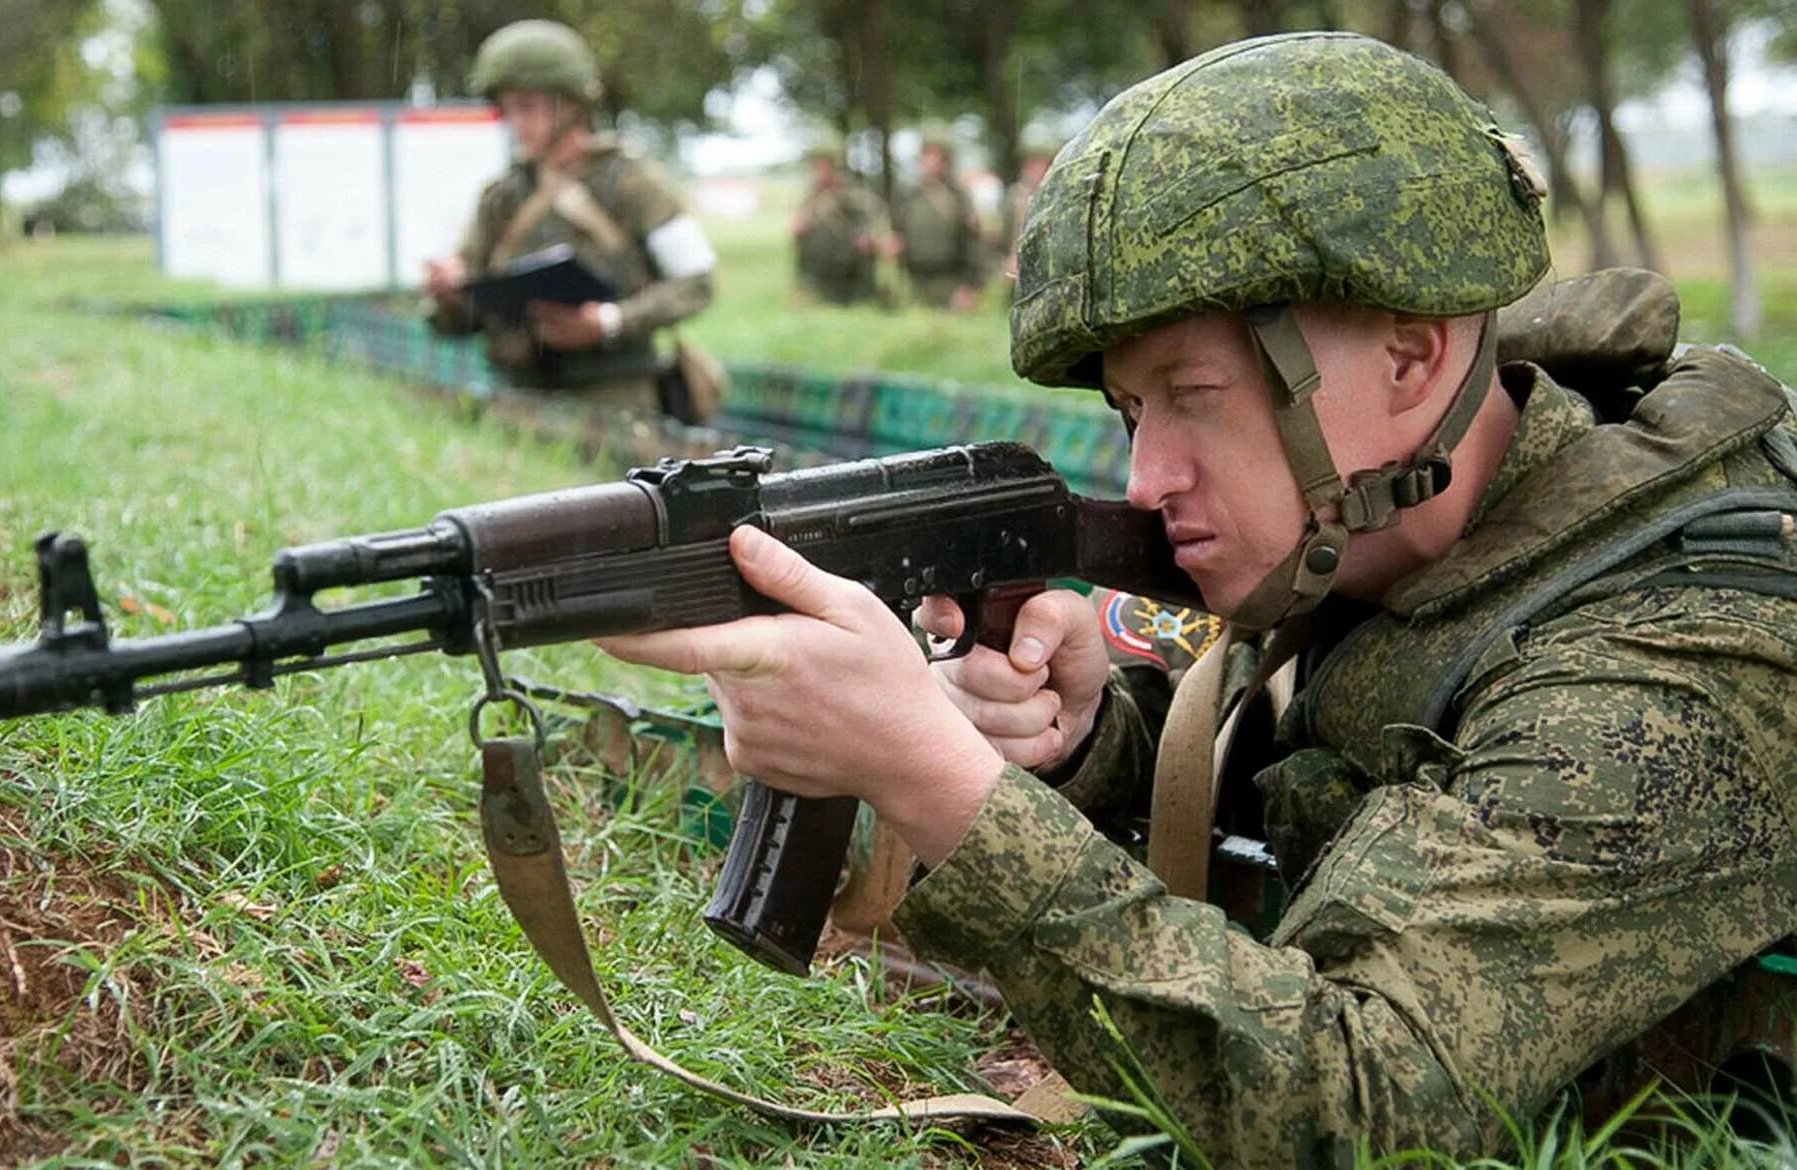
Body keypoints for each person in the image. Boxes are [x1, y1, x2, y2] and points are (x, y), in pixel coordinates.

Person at [600, 32, 1797, 1165]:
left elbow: (1350, 1111)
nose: (1144, 478)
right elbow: (1353, 715)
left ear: (1411, 356)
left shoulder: (1667, 663)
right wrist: (1087, 735)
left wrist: (931, 778)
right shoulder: (1416, 518)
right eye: (1130, 412)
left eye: (1194, 394)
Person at [424, 20, 716, 414]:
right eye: (506, 107)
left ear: (571, 104)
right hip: (517, 399)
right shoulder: (502, 196)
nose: (516, 122)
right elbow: (460, 316)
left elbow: (697, 283)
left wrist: (609, 322)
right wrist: (449, 295)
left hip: (614, 397)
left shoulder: (633, 182)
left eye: (527, 105)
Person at [890, 123, 986, 312]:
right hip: (914, 283)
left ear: (947, 161)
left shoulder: (958, 196)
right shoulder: (908, 195)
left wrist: (968, 288)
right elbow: (896, 236)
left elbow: (973, 245)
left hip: (950, 284)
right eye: (927, 155)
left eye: (937, 157)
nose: (931, 162)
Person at [790, 130, 889, 307]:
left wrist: (870, 238)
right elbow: (800, 235)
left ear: (835, 167)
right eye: (815, 167)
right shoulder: (811, 199)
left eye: (823, 166)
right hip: (819, 275)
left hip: (851, 274)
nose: (818, 173)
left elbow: (877, 218)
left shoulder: (852, 194)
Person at [997, 127, 1060, 297]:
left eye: (1044, 164)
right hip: (1017, 273)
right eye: (1033, 164)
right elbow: (1002, 236)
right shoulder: (1015, 197)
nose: (1038, 171)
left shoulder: (1058, 196)